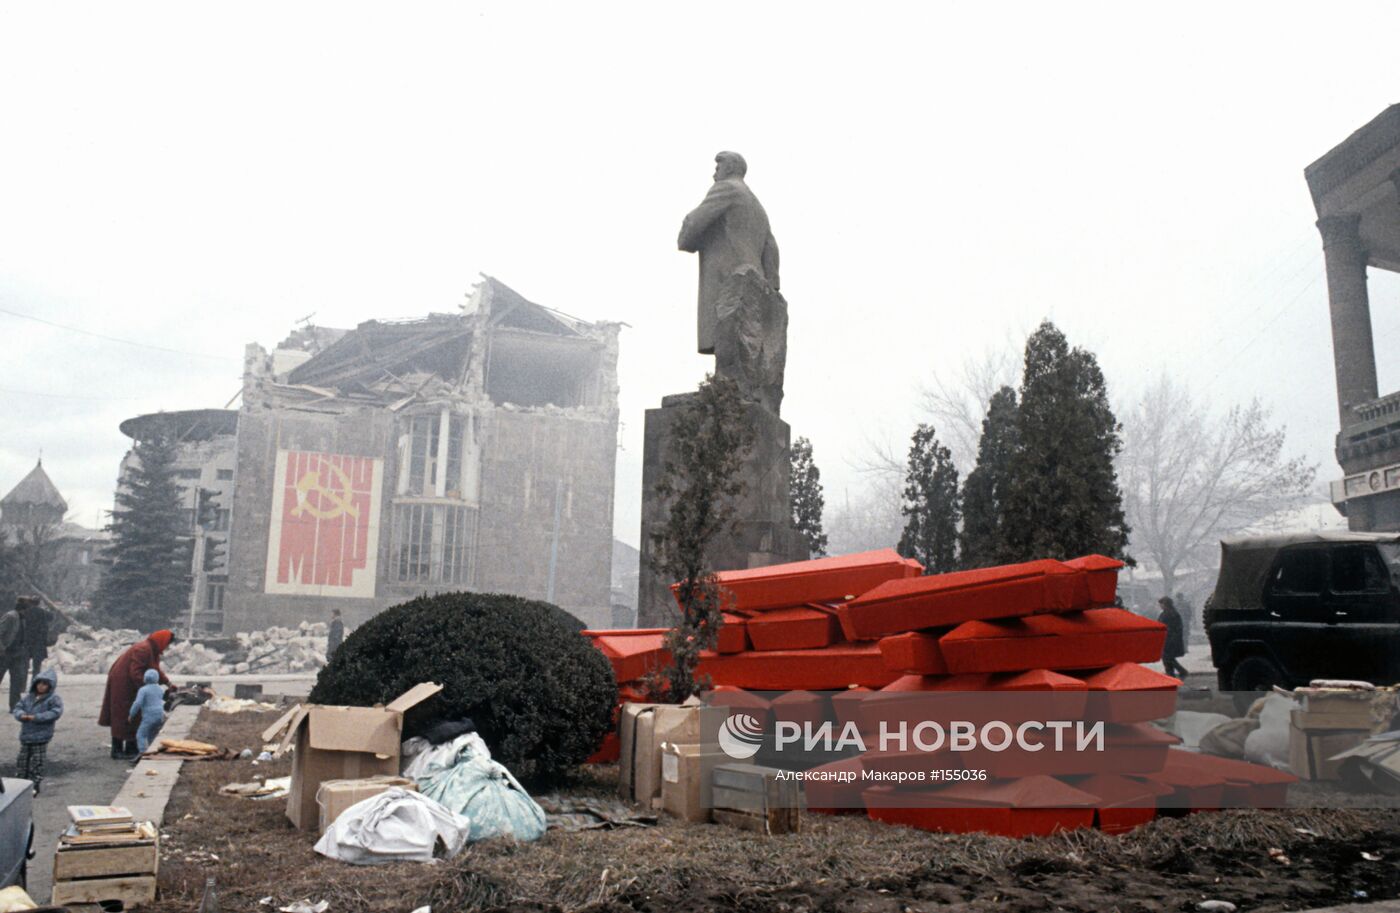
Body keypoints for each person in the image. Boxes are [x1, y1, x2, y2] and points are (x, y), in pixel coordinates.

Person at [678, 151, 781, 355]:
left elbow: (695, 221)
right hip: (753, 282)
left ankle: (724, 385)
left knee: (727, 334)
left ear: (730, 168)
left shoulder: (726, 188)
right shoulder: (756, 204)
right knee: (743, 347)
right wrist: (771, 284)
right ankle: (728, 382)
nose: (714, 174)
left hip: (727, 278)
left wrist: (685, 237)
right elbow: (771, 247)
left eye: (717, 168)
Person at [98, 630, 173, 759]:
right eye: (167, 644)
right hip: (123, 682)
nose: (166, 648)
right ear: (162, 641)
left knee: (135, 715)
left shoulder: (152, 649)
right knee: (122, 715)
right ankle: (117, 750)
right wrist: (148, 690)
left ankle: (130, 748)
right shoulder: (143, 649)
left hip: (129, 682)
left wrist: (168, 683)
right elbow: (136, 672)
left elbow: (155, 670)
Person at [12, 668, 63, 795]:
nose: (41, 686)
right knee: (22, 760)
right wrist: (21, 715)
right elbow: (17, 708)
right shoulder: (28, 698)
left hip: (41, 736)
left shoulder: (53, 699)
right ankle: (21, 782)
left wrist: (37, 717)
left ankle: (35, 783)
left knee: (37, 761)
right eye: (39, 683)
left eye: (45, 684)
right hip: (26, 735)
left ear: (50, 686)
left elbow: (55, 712)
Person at [0, 597, 34, 711]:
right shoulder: (11, 616)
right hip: (5, 653)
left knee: (16, 681)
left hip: (17, 653)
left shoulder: (22, 619)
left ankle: (15, 705)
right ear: (23, 609)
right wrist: (2, 649)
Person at [128, 669, 166, 756]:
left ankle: (142, 752)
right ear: (157, 678)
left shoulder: (143, 690)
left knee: (140, 734)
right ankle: (153, 750)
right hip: (160, 715)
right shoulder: (160, 689)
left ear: (145, 678)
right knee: (152, 734)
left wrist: (131, 714)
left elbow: (137, 703)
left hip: (149, 715)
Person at [1157, 596, 1188, 680]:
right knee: (1166, 657)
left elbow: (1176, 627)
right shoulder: (1166, 613)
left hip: (1170, 639)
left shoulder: (1171, 614)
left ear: (1165, 604)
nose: (1160, 606)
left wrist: (1171, 636)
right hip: (1166, 638)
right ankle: (1170, 674)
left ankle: (1181, 671)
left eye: (1161, 604)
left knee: (1167, 657)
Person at [24, 601, 50, 684]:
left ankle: (22, 684)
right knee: (37, 666)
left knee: (24, 665)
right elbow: (49, 620)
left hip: (27, 641)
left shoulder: (26, 611)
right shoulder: (42, 612)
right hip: (38, 642)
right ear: (39, 603)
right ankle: (34, 682)